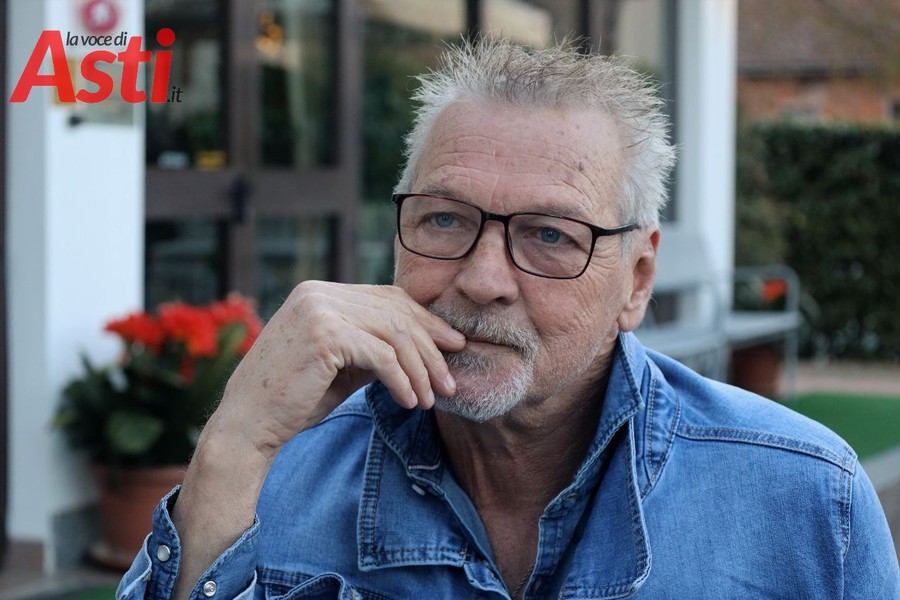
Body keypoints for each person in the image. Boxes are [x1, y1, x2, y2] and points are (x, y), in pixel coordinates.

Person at [119, 39, 899, 600]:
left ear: (636, 281)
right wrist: (233, 445)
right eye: (445, 219)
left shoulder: (805, 499)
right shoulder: (275, 476)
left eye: (551, 235)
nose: (483, 279)